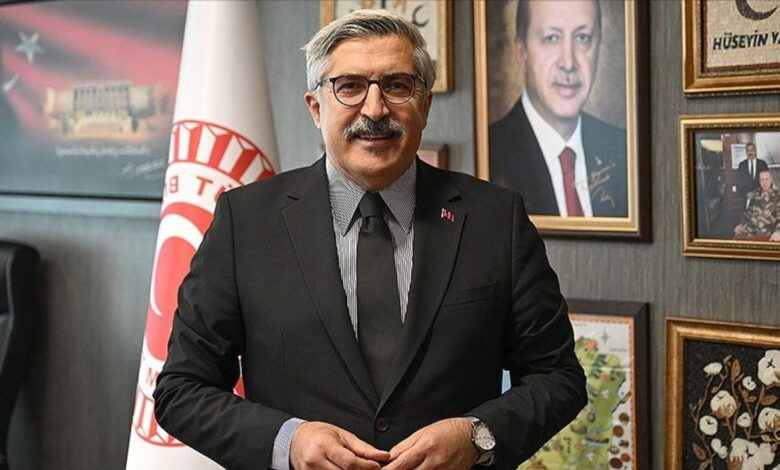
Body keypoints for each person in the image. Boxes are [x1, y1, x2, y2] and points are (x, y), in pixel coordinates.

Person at [154, 9, 586, 470]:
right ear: (316, 108)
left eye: (397, 85)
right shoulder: (245, 222)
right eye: (350, 86)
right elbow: (182, 390)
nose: (375, 110)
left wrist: (477, 437)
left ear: (425, 105)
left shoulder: (495, 219)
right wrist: (289, 442)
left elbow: (557, 377)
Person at [489, 0, 627, 217]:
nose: (568, 63)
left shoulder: (623, 149)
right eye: (551, 38)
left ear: (599, 47)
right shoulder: (490, 154)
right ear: (521, 52)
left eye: (583, 38)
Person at [734, 169, 780, 242]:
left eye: (767, 179)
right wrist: (741, 225)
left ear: (771, 180)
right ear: (759, 181)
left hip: (769, 233)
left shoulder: (777, 196)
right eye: (762, 180)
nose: (764, 183)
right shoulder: (754, 194)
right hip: (752, 231)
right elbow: (748, 215)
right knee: (736, 237)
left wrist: (778, 232)